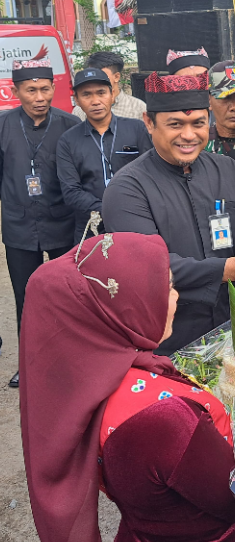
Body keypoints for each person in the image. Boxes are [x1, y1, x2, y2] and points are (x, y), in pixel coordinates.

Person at [18, 231, 235, 542]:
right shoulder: (162, 417)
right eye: (163, 287)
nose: (175, 295)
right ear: (119, 308)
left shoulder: (85, 381)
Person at [102, 70, 235, 355]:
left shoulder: (227, 170)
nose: (188, 135)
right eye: (175, 124)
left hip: (232, 323)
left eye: (198, 123)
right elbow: (150, 267)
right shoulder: (127, 189)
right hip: (166, 334)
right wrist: (229, 269)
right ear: (149, 122)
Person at [0, 57, 80, 388]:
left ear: (54, 88)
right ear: (16, 90)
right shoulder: (3, 125)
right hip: (19, 227)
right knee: (26, 297)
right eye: (31, 90)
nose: (39, 97)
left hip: (61, 224)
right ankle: (30, 365)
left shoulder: (69, 125)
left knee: (68, 295)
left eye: (45, 89)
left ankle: (72, 362)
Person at [57, 68, 152, 244]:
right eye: (86, 95)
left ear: (112, 95)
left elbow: (151, 173)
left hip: (135, 221)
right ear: (77, 100)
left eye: (101, 93)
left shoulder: (137, 129)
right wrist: (107, 209)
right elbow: (71, 191)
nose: (95, 101)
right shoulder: (68, 140)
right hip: (90, 227)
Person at [71, 51, 147, 121]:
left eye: (102, 75)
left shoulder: (138, 107)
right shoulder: (79, 111)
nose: (95, 79)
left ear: (116, 77)